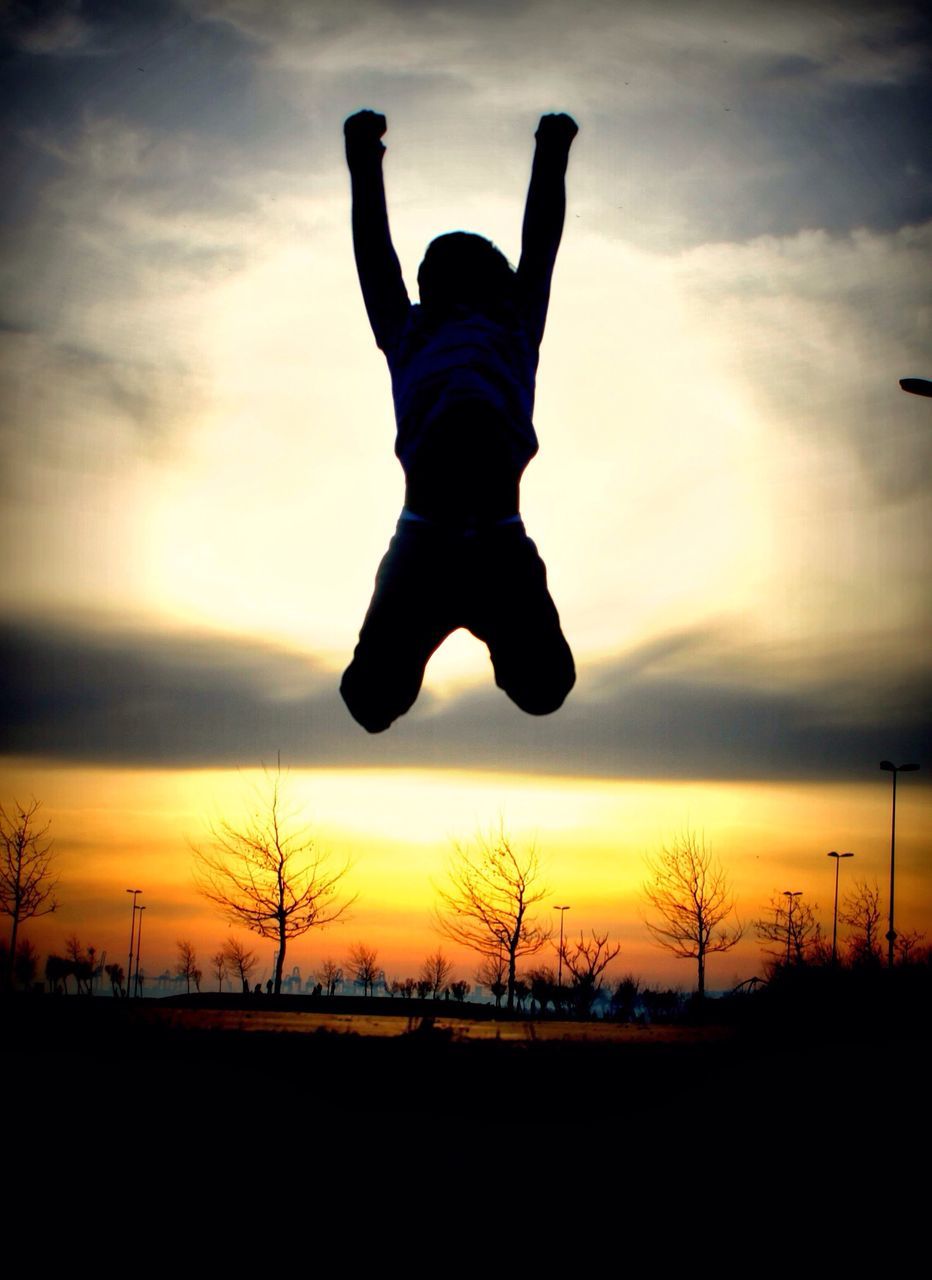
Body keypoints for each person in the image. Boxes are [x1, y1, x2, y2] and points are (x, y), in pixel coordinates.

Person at [341, 108, 578, 733]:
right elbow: (375, 257)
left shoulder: (514, 326)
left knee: (548, 687)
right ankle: (435, 649)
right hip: (428, 541)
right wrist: (363, 158)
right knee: (369, 701)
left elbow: (541, 247)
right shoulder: (409, 331)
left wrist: (551, 151)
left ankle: (503, 647)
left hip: (493, 542)